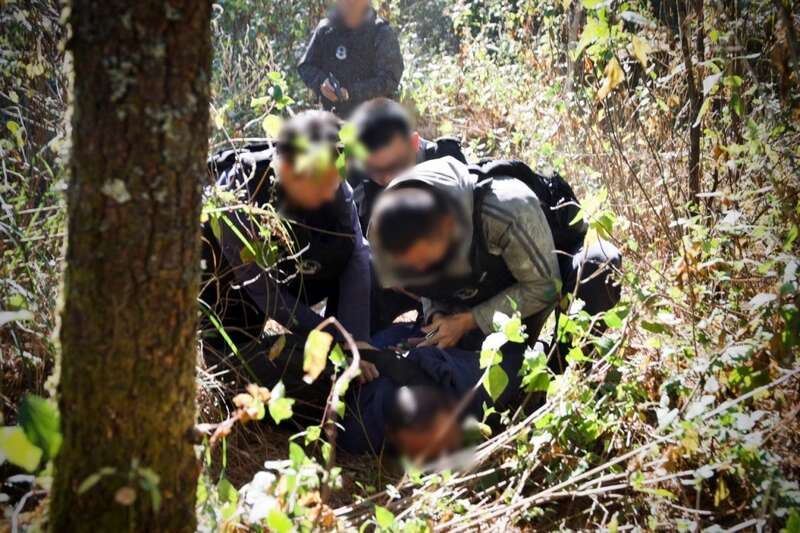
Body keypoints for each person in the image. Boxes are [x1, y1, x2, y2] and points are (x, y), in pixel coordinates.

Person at [369, 156, 622, 363]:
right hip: (490, 282)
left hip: (547, 268)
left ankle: (564, 364)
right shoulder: (399, 233)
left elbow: (546, 287)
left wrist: (467, 322)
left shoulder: (505, 208)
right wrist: (437, 318)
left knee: (601, 263)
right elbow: (428, 283)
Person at [200, 111, 375, 391]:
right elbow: (265, 293)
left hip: (296, 270)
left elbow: (356, 254)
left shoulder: (335, 184)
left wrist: (357, 339)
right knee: (235, 372)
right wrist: (335, 339)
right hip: (234, 290)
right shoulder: (241, 194)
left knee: (371, 269)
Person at [350, 98, 467, 233]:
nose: (387, 179)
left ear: (414, 144)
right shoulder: (360, 190)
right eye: (376, 169)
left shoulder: (446, 162)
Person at [298, 1, 404, 117]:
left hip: (371, 119)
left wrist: (350, 92)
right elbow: (306, 66)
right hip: (332, 117)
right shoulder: (326, 29)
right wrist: (322, 82)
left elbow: (390, 78)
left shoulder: (381, 32)